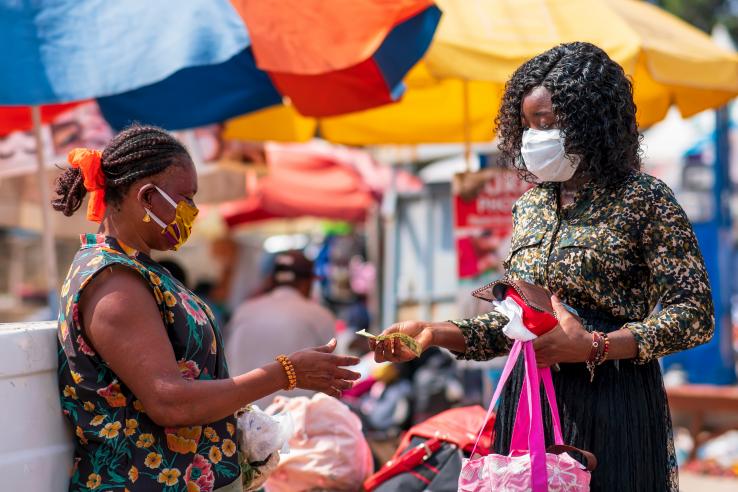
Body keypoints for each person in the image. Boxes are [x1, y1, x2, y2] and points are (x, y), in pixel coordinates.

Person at [370, 42, 714, 492]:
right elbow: (514, 323)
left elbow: (694, 315)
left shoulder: (643, 199)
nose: (537, 135)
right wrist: (435, 333)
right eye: (529, 124)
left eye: (549, 123)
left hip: (611, 402)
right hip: (529, 401)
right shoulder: (529, 206)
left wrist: (596, 346)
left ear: (593, 123)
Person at [53, 125, 359, 492]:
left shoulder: (142, 271)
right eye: (186, 199)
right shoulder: (113, 282)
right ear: (148, 197)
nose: (194, 212)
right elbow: (170, 401)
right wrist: (286, 373)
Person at [225, 251, 337, 408]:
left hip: (242, 412)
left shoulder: (243, 311)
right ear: (307, 282)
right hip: (296, 417)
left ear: (272, 279)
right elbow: (332, 371)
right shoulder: (320, 315)